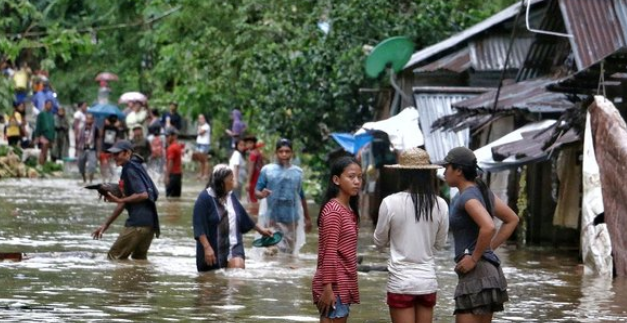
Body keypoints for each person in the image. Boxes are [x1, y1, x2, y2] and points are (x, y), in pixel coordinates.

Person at [435, 147, 519, 323]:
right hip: (488, 272)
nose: (444, 172)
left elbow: (488, 226)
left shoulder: (467, 197)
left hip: (477, 273)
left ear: (458, 170)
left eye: (447, 167)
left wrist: (474, 258)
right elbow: (512, 219)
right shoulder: (481, 192)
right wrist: (487, 249)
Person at [373, 148, 449, 323]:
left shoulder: (390, 203)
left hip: (401, 282)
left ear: (402, 174)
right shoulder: (441, 204)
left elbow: (379, 243)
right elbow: (439, 245)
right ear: (429, 175)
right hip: (427, 281)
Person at [192, 164, 273, 271]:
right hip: (212, 248)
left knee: (237, 275)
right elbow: (199, 225)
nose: (233, 182)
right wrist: (207, 248)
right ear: (221, 183)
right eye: (231, 179)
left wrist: (261, 230)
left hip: (234, 245)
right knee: (211, 283)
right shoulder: (204, 199)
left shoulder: (230, 195)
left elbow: (242, 215)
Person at [311, 156, 362, 322]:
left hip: (343, 283)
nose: (357, 181)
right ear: (336, 179)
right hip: (334, 286)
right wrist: (327, 289)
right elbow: (329, 252)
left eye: (360, 177)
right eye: (351, 176)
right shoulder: (334, 211)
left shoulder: (348, 209)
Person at [91, 140, 160, 260]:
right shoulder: (137, 166)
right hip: (150, 224)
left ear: (127, 153)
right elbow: (124, 201)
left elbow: (143, 194)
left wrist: (119, 200)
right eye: (113, 154)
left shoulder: (129, 169)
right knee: (139, 261)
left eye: (117, 154)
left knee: (113, 257)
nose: (114, 157)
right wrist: (106, 225)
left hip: (137, 224)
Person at [255, 138, 312, 255]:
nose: (284, 154)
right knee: (272, 251)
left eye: (287, 151)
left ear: (292, 153)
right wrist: (262, 194)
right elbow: (256, 191)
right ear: (276, 153)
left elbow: (301, 195)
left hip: (291, 219)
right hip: (272, 218)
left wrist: (307, 218)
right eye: (281, 151)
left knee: (288, 253)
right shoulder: (267, 170)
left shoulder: (297, 172)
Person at [98, 114, 121, 182]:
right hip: (108, 149)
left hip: (107, 149)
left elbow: (100, 135)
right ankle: (108, 179)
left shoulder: (107, 127)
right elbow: (117, 140)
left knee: (105, 165)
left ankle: (105, 179)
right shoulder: (114, 128)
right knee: (107, 165)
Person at [76, 113, 98, 184]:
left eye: (90, 119)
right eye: (87, 118)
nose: (89, 120)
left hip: (92, 149)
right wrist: (76, 149)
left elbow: (98, 140)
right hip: (82, 149)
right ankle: (84, 179)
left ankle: (90, 181)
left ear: (93, 120)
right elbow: (77, 139)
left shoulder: (95, 129)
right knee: (81, 165)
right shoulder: (81, 128)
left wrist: (98, 151)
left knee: (92, 165)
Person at [33, 99, 55, 166]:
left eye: (51, 105)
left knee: (47, 152)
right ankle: (41, 165)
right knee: (43, 151)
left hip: (50, 135)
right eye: (48, 104)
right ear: (45, 105)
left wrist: (53, 137)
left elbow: (53, 126)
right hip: (43, 135)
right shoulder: (41, 114)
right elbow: (38, 125)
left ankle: (45, 165)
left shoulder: (51, 115)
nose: (50, 106)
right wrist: (37, 136)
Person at [165, 127, 183, 197]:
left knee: (169, 198)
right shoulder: (177, 146)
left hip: (172, 175)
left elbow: (170, 162)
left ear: (173, 136)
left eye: (167, 136)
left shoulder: (171, 148)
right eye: (165, 136)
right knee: (176, 198)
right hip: (178, 175)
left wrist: (167, 176)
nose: (166, 138)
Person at [194, 114, 211, 180]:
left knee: (205, 160)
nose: (200, 120)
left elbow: (201, 133)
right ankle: (201, 173)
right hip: (199, 143)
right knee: (200, 160)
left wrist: (199, 130)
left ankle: (206, 174)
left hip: (204, 144)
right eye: (199, 118)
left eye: (202, 118)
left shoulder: (207, 126)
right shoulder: (200, 126)